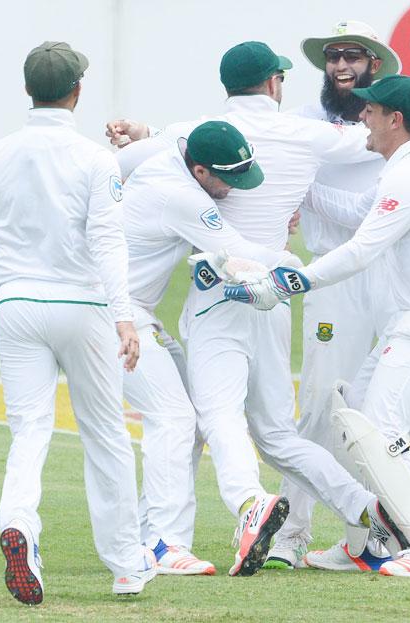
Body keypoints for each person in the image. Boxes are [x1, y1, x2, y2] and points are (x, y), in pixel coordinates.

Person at [106, 42, 410, 576]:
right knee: (277, 434)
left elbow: (131, 162)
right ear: (274, 84)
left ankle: (242, 508)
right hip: (277, 299)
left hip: (222, 293)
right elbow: (386, 132)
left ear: (226, 85)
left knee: (215, 414)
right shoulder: (310, 134)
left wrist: (139, 135)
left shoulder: (190, 131)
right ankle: (366, 509)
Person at [224, 74, 410, 577]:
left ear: (395, 120)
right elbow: (356, 214)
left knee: (381, 430)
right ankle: (372, 544)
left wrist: (282, 285)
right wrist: (291, 189)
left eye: (370, 110)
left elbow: (360, 251)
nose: (361, 116)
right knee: (354, 421)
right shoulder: (403, 168)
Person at [0, 41, 153, 603]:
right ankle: (125, 566)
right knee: (106, 435)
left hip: (17, 304)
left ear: (27, 90)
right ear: (78, 92)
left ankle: (18, 522)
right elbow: (108, 239)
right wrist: (124, 316)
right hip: (83, 306)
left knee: (30, 430)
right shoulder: (95, 157)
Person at [119, 119, 303, 576]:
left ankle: (153, 534)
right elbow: (235, 248)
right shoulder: (179, 196)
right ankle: (163, 543)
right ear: (199, 171)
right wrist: (304, 269)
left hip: (127, 310)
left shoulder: (165, 154)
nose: (236, 190)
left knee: (195, 416)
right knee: (174, 416)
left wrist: (137, 131)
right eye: (229, 180)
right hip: (112, 315)